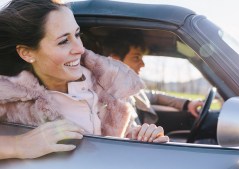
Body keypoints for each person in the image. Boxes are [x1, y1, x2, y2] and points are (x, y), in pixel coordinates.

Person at [0, 0, 168, 159]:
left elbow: (113, 146)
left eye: (77, 34)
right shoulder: (9, 95)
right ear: (27, 53)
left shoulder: (108, 87)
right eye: (64, 41)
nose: (80, 49)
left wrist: (141, 139)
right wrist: (18, 145)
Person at [103, 29, 204, 124]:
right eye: (136, 58)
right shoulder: (107, 98)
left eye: (141, 57)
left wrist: (187, 104)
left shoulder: (133, 90)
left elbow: (155, 96)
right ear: (115, 60)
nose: (143, 64)